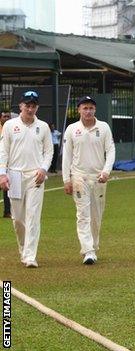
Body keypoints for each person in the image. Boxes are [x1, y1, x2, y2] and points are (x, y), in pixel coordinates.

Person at [0, 90, 53, 268]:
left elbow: (49, 151)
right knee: (18, 218)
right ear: (21, 106)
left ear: (37, 107)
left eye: (33, 106)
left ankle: (30, 256)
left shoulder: (43, 126)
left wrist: (44, 169)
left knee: (33, 216)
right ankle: (23, 248)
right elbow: (3, 151)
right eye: (27, 106)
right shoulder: (9, 125)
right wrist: (2, 173)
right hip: (14, 175)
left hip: (35, 176)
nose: (30, 109)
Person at [62, 96, 115, 265]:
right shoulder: (72, 129)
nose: (88, 111)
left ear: (95, 110)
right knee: (83, 214)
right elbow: (67, 156)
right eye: (85, 108)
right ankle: (88, 250)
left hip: (98, 178)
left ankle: (93, 245)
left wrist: (106, 171)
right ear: (78, 110)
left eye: (91, 108)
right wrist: (66, 179)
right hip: (79, 176)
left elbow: (111, 150)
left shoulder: (104, 127)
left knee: (96, 215)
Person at [0, 109, 12, 218]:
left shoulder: (11, 128)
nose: (7, 118)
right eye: (5, 117)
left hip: (7, 163)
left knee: (7, 187)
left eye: (8, 117)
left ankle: (7, 211)